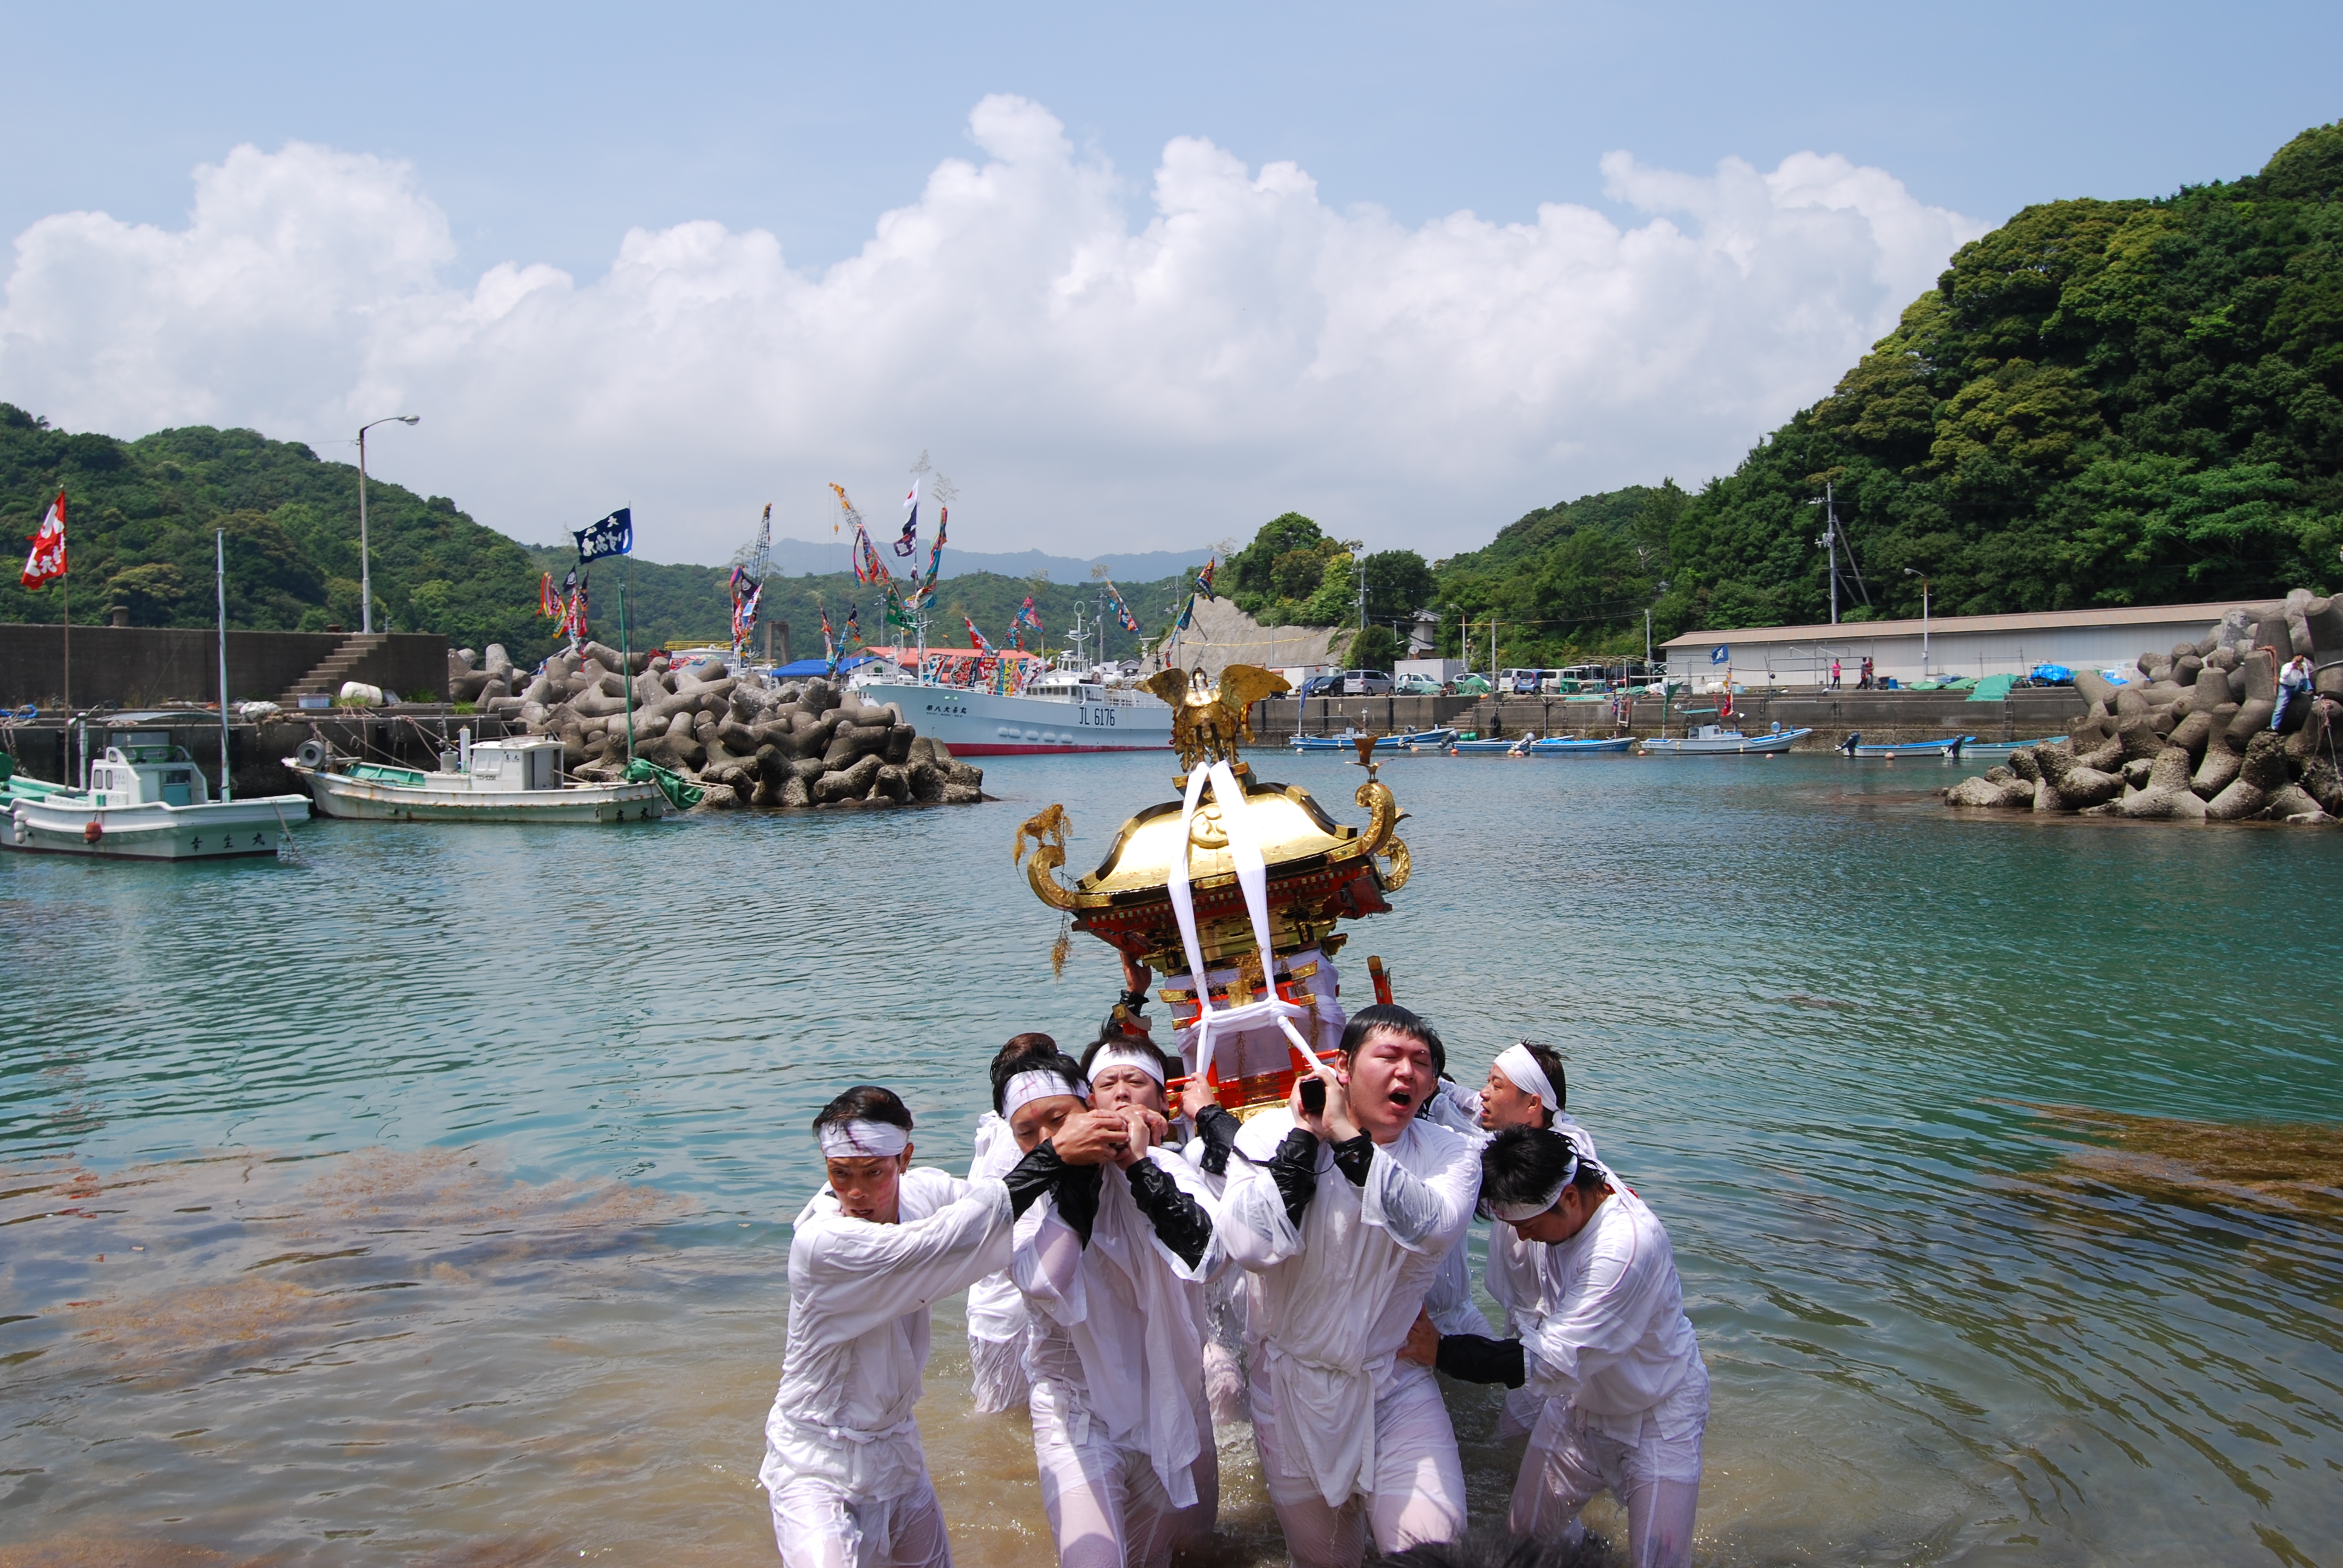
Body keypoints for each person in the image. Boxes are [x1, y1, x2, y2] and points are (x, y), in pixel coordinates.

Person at [758, 1083, 1072, 1568]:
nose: (857, 1193)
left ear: (904, 1158)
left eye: (874, 1173)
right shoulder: (822, 1244)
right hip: (815, 1460)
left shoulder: (924, 1191)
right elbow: (939, 1242)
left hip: (897, 1450)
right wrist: (1053, 1157)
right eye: (840, 1175)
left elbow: (999, 1215)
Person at [1217, 1003, 1482, 1568]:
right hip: (1291, 1392)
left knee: (1435, 1554)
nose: (1406, 1073)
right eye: (1388, 1056)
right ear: (1343, 1065)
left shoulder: (1449, 1152)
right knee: (1324, 1561)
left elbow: (1429, 1228)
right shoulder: (1269, 1133)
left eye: (1421, 1063)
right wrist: (1305, 1142)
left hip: (1393, 1383)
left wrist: (1343, 1135)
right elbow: (1249, 1245)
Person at [1416, 1127, 1708, 1568]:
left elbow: (1547, 1360)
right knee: (1522, 1540)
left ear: (1570, 1199)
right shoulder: (1570, 1177)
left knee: (1662, 1561)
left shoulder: (1624, 1248)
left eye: (1529, 1228)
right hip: (1578, 1406)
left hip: (1657, 1415)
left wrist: (1440, 1351)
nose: (1526, 1239)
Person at [1002, 1049, 1222, 1568]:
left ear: (1088, 1106)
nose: (1046, 1139)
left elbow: (1209, 1258)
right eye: (1026, 1132)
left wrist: (1135, 1165)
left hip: (1169, 1395)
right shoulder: (1021, 1197)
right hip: (1077, 1412)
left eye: (1059, 1120)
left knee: (1184, 1552)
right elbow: (1045, 1285)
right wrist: (1070, 1168)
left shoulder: (1166, 1168)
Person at [966, 1033, 1064, 1414]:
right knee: (1002, 1418)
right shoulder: (1017, 1144)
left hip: (1006, 1308)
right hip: (1004, 1315)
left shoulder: (1008, 1129)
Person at [2274, 652, 2315, 730]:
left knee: (2304, 680)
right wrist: (2292, 668)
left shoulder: (2303, 666)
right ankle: (2274, 726)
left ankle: (2310, 692)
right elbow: (2283, 676)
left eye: (2300, 660)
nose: (2298, 662)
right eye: (2297, 660)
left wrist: (2302, 672)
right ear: (2293, 659)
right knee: (2280, 708)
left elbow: (2306, 678)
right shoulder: (2286, 666)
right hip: (2286, 688)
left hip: (2296, 687)